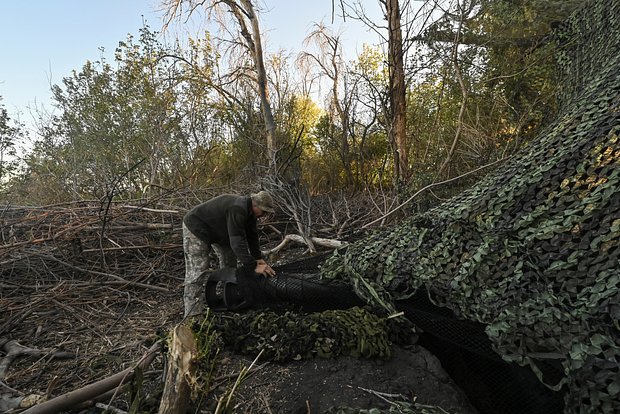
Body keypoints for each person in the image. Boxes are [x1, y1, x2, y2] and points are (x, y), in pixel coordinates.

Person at [182, 190, 277, 317]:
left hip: (219, 231)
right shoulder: (238, 209)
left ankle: (227, 298)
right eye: (264, 211)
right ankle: (192, 315)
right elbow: (237, 242)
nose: (264, 215)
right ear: (255, 204)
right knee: (198, 270)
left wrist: (258, 258)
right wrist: (253, 265)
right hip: (197, 227)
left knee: (230, 263)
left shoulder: (251, 214)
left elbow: (252, 236)